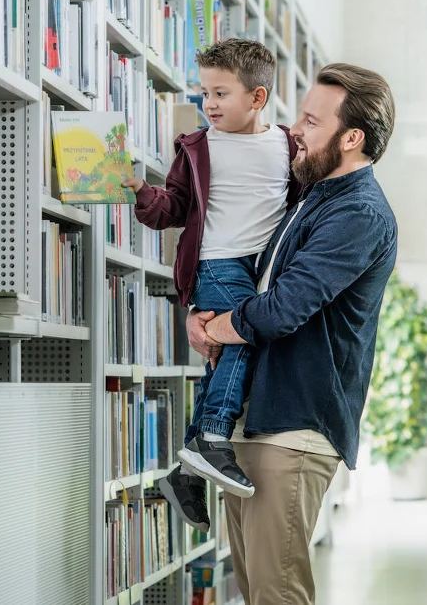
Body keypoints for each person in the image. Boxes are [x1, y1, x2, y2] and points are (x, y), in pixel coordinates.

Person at [187, 63, 398, 605]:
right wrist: (198, 309)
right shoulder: (308, 198)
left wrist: (218, 326)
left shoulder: (360, 212)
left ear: (352, 138)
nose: (294, 130)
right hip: (255, 420)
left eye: (310, 120)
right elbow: (247, 274)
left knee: (276, 593)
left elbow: (283, 308)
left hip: (293, 427)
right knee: (257, 588)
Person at [123, 38, 302, 527]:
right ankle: (214, 438)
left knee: (225, 356)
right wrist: (141, 189)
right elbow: (173, 209)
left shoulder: (287, 145)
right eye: (205, 93)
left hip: (263, 268)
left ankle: (185, 471)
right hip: (216, 262)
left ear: (257, 98)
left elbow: (303, 205)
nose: (209, 104)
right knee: (245, 334)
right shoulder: (197, 147)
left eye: (221, 93)